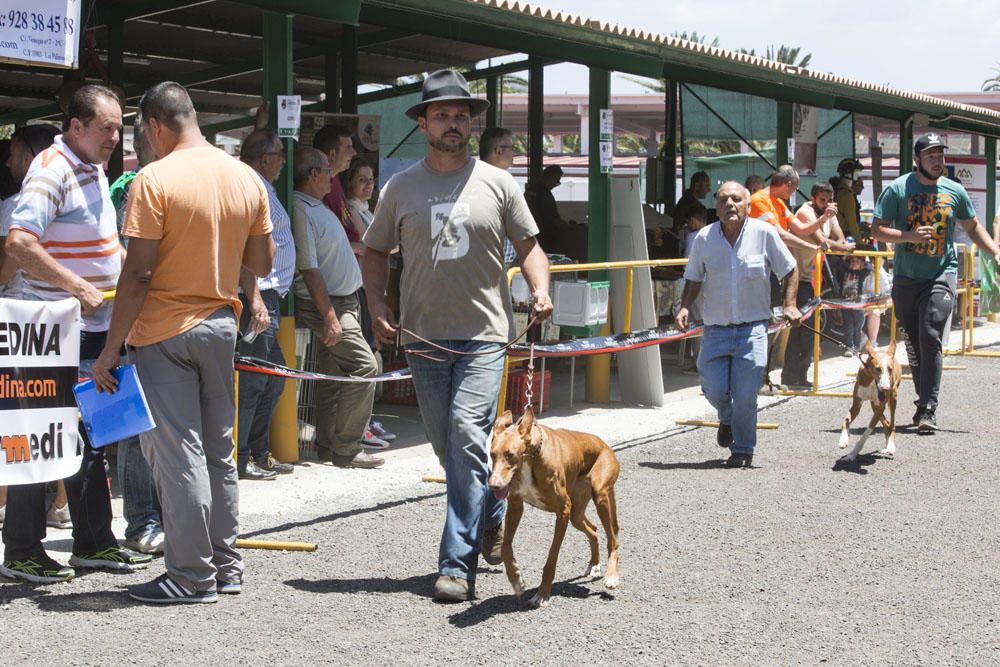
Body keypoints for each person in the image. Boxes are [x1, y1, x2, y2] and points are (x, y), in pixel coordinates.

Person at [362, 69, 553, 602]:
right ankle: (492, 510)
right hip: (422, 338)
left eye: (461, 116)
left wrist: (539, 288)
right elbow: (374, 251)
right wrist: (377, 303)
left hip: (485, 337)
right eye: (442, 114)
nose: (453, 123)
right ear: (423, 121)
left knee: (468, 435)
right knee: (453, 450)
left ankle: (455, 564)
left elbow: (530, 247)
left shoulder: (498, 183)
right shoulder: (400, 188)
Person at [91, 82, 275, 603]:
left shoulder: (153, 181)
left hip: (163, 332)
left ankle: (191, 575)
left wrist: (111, 349)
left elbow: (139, 273)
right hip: (221, 325)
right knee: (220, 451)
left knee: (179, 456)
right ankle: (227, 567)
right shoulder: (246, 177)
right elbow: (260, 265)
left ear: (153, 126)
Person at [2, 85, 153, 583]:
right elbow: (20, 242)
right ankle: (22, 550)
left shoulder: (92, 169)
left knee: (92, 436)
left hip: (92, 330)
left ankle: (94, 543)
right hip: (50, 332)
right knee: (39, 438)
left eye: (119, 126)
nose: (115, 136)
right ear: (76, 126)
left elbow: (103, 245)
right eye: (106, 127)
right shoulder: (52, 168)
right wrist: (78, 287)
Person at [871, 133, 1000, 433]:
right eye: (930, 155)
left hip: (942, 273)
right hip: (906, 277)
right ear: (917, 159)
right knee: (915, 346)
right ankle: (921, 401)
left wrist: (994, 252)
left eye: (940, 154)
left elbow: (972, 226)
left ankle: (929, 406)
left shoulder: (955, 190)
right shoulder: (899, 188)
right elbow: (876, 230)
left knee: (930, 333)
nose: (937, 160)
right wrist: (909, 237)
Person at [675, 181, 800, 469]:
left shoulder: (764, 233)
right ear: (715, 207)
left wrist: (790, 304)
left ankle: (742, 449)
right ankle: (728, 418)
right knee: (713, 389)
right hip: (715, 329)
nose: (729, 204)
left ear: (747, 205)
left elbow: (790, 269)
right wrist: (684, 306)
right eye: (722, 200)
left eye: (736, 199)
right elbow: (693, 276)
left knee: (745, 394)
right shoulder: (703, 239)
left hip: (753, 329)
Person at [291, 147, 384, 469]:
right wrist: (330, 316)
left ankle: (329, 444)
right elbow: (309, 269)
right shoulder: (301, 209)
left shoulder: (315, 206)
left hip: (342, 300)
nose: (333, 176)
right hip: (330, 303)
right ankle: (347, 447)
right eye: (327, 171)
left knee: (334, 375)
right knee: (366, 367)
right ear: (313, 174)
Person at [106, 115, 166, 554]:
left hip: (167, 322)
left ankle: (162, 518)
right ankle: (142, 522)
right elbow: (134, 263)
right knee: (135, 425)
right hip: (136, 322)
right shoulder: (138, 188)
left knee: (161, 424)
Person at [235, 129, 297, 480]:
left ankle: (257, 452)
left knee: (275, 377)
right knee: (255, 380)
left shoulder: (259, 183)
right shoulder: (250, 185)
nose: (284, 162)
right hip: (257, 296)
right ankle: (241, 457)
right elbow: (246, 246)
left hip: (268, 297)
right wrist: (255, 297)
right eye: (279, 155)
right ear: (263, 159)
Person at [782, 181, 854, 388]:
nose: (827, 204)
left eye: (830, 200)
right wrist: (841, 244)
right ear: (813, 198)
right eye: (823, 200)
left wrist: (842, 244)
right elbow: (823, 241)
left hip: (814, 280)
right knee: (799, 329)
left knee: (810, 331)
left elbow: (838, 239)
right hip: (798, 278)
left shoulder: (829, 215)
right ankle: (790, 376)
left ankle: (801, 375)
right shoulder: (806, 212)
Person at [313, 124, 364, 255]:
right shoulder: (317, 189)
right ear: (332, 154)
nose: (354, 152)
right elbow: (321, 240)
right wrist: (357, 247)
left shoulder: (335, 178)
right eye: (348, 147)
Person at [524, 165, 587, 260]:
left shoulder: (531, 190)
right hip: (544, 236)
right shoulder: (544, 195)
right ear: (551, 178)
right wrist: (571, 228)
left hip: (529, 232)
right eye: (557, 180)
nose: (557, 184)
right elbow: (553, 219)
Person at [479, 127, 518, 266]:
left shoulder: (471, 179)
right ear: (499, 151)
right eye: (512, 148)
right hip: (496, 265)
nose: (514, 153)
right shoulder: (503, 181)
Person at [833, 157, 864, 244]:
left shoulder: (839, 190)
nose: (858, 176)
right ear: (848, 173)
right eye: (856, 173)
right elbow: (852, 225)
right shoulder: (847, 195)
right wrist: (860, 243)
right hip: (846, 237)